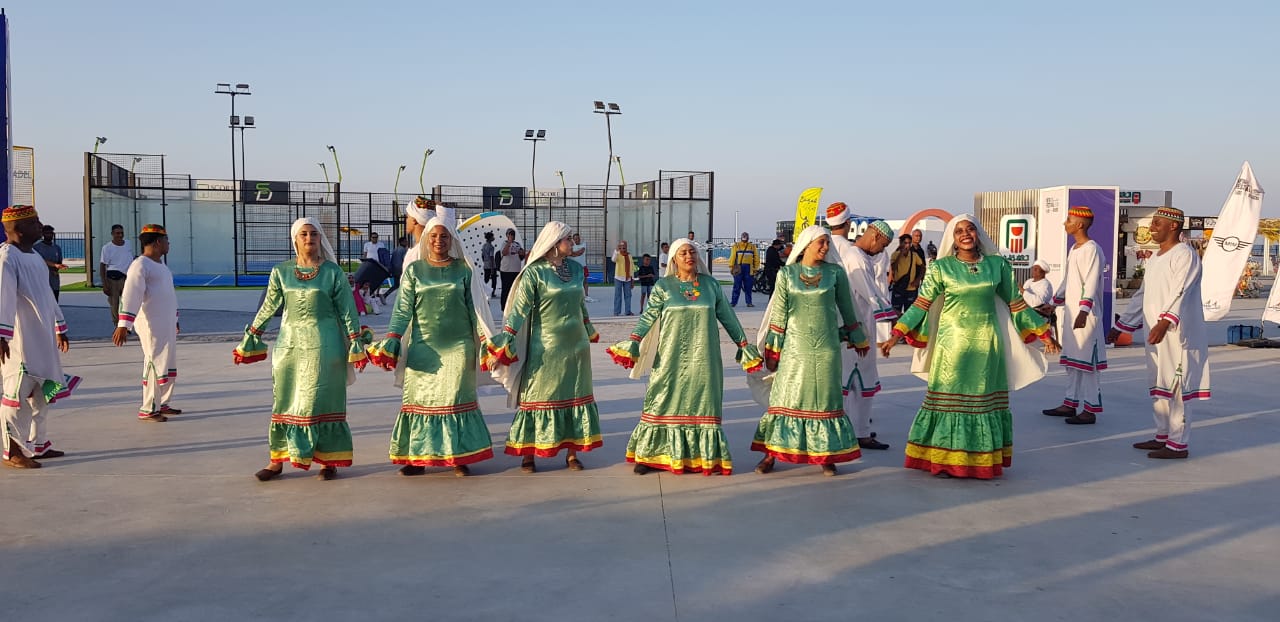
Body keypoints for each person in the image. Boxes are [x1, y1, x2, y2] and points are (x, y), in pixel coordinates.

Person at [881, 214, 1057, 479]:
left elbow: (1016, 303)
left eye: (970, 229)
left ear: (978, 234)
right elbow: (921, 304)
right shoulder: (942, 268)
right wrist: (896, 334)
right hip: (951, 346)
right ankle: (944, 460)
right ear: (952, 238)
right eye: (959, 230)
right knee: (949, 403)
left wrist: (1044, 333)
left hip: (987, 345)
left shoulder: (997, 265)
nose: (965, 234)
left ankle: (979, 461)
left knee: (981, 403)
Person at [607, 238, 763, 475]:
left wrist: (743, 345)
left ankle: (702, 456)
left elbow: (728, 317)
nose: (689, 256)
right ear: (674, 259)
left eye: (692, 252)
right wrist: (634, 341)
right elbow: (648, 316)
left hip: (705, 358)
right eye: (683, 253)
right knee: (661, 399)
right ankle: (650, 456)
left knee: (703, 404)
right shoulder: (663, 286)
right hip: (670, 357)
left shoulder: (710, 285)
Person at [233, 217, 369, 481]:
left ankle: (328, 460)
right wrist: (251, 336)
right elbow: (269, 306)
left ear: (320, 239)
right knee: (285, 400)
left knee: (319, 400)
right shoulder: (281, 272)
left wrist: (355, 340)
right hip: (289, 347)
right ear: (295, 239)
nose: (309, 238)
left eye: (314, 234)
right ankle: (277, 460)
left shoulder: (332, 272)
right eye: (304, 234)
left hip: (324, 345)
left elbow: (347, 309)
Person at [367, 216, 497, 476]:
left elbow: (475, 310)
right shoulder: (414, 271)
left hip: (458, 346)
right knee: (420, 400)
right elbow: (403, 310)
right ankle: (417, 458)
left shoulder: (463, 269)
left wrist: (485, 342)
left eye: (444, 236)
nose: (439, 241)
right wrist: (392, 338)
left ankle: (458, 456)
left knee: (454, 400)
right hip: (423, 347)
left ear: (452, 240)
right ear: (427, 239)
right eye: (434, 236)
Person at [749, 225, 869, 477]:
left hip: (827, 350)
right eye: (821, 242)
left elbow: (847, 308)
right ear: (806, 245)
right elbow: (779, 315)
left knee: (825, 401)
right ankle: (771, 454)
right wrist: (773, 352)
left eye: (827, 243)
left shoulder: (835, 273)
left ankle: (826, 456)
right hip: (794, 350)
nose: (826, 247)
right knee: (785, 400)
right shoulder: (787, 274)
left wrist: (858, 337)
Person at [486, 221, 601, 473]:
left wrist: (588, 328)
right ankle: (528, 454)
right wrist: (506, 339)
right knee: (538, 397)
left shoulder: (575, 269)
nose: (571, 242)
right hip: (545, 347)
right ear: (554, 243)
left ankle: (572, 453)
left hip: (577, 346)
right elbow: (519, 310)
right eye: (567, 239)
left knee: (575, 397)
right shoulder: (534, 273)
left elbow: (580, 303)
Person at [1108, 206, 1209, 459]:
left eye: (1157, 223)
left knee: (1177, 386)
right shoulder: (1155, 258)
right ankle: (1163, 435)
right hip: (1156, 334)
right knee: (1158, 384)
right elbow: (1143, 295)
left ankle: (1178, 444)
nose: (1151, 227)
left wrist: (1164, 322)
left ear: (1173, 226)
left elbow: (1181, 291)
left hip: (1177, 334)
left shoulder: (1184, 255)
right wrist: (1122, 325)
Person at [1, 205, 78, 469]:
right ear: (19, 229)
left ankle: (38, 444)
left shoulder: (34, 256)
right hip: (20, 343)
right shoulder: (6, 257)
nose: (41, 225)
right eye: (35, 222)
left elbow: (46, 295)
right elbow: (2, 297)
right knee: (16, 396)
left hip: (43, 340)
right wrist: (1, 335)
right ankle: (12, 450)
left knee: (43, 393)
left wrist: (59, 326)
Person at [826, 203, 896, 450]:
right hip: (855, 328)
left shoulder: (838, 249)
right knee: (856, 380)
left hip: (849, 325)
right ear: (874, 236)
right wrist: (892, 316)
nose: (882, 250)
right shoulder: (853, 255)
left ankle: (854, 430)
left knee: (852, 381)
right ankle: (854, 433)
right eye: (883, 245)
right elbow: (868, 291)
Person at [1042, 207, 1108, 425]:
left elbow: (1090, 281)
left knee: (1088, 363)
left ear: (1079, 225)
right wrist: (1054, 304)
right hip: (1072, 314)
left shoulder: (1092, 249)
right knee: (1073, 361)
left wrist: (1084, 310)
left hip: (1085, 316)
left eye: (1069, 220)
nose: (1065, 223)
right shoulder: (1075, 249)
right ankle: (1070, 402)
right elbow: (1069, 280)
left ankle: (1089, 409)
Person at [112, 224, 181, 422]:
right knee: (154, 361)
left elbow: (169, 296)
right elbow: (130, 295)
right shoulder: (140, 265)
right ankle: (149, 408)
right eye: (166, 240)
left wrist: (175, 319)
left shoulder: (161, 266)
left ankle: (162, 402)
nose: (169, 244)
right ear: (158, 242)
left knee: (167, 361)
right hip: (151, 324)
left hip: (166, 322)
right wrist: (123, 325)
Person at [100, 223, 134, 325]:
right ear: (112, 234)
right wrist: (105, 284)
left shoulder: (128, 244)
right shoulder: (107, 248)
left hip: (127, 277)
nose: (120, 235)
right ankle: (118, 324)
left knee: (127, 302)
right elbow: (102, 265)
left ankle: (126, 323)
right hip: (113, 278)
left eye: (121, 233)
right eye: (117, 233)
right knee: (114, 304)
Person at [889, 233, 924, 315]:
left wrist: (918, 279)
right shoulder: (895, 254)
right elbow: (892, 268)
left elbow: (923, 267)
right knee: (895, 312)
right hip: (898, 288)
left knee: (909, 313)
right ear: (901, 243)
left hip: (911, 288)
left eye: (909, 243)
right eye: (905, 243)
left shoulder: (914, 255)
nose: (907, 245)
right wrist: (900, 255)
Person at [32, 225, 66, 302]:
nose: (50, 235)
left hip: (54, 280)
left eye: (51, 233)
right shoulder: (37, 248)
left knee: (54, 301)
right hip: (41, 280)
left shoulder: (57, 248)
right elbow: (40, 260)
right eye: (47, 233)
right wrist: (54, 265)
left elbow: (59, 261)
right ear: (43, 234)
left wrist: (56, 269)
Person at [729, 232, 759, 307]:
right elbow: (733, 257)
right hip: (739, 269)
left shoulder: (752, 246)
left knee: (748, 287)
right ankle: (734, 302)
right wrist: (731, 267)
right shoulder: (736, 246)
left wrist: (755, 268)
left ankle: (748, 302)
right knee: (737, 286)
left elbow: (756, 258)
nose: (745, 239)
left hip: (749, 269)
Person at [498, 228, 525, 309]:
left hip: (516, 270)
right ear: (507, 235)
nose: (512, 236)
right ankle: (504, 307)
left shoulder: (517, 244)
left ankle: (513, 306)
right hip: (506, 271)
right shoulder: (504, 243)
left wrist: (521, 253)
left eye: (513, 234)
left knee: (515, 289)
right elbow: (504, 253)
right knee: (506, 289)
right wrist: (509, 243)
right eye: (510, 234)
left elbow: (522, 256)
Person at [612, 239, 636, 316]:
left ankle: (628, 311)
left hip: (628, 279)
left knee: (628, 295)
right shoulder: (617, 254)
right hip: (618, 278)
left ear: (626, 247)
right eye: (621, 246)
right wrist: (616, 250)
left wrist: (632, 279)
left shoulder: (629, 255)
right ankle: (616, 311)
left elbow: (632, 268)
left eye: (624, 246)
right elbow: (613, 260)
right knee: (618, 295)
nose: (623, 248)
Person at [383, 235, 409, 302]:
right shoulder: (403, 250)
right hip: (400, 270)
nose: (407, 242)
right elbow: (405, 260)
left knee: (396, 285)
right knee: (405, 284)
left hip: (395, 270)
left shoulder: (395, 249)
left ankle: (385, 295)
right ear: (402, 242)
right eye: (405, 241)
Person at [571, 232, 595, 302]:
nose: (577, 240)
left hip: (583, 266)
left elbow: (580, 252)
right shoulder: (571, 246)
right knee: (574, 282)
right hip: (574, 267)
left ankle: (586, 295)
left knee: (585, 281)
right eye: (575, 239)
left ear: (580, 239)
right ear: (573, 239)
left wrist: (572, 253)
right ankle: (575, 295)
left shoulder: (583, 245)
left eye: (578, 238)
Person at [481, 231, 498, 298]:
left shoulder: (484, 245)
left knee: (486, 279)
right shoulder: (491, 247)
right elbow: (491, 257)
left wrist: (485, 262)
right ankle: (492, 293)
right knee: (494, 280)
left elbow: (482, 256)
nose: (494, 238)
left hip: (486, 265)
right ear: (490, 238)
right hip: (491, 265)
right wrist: (492, 268)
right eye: (493, 237)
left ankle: (483, 291)